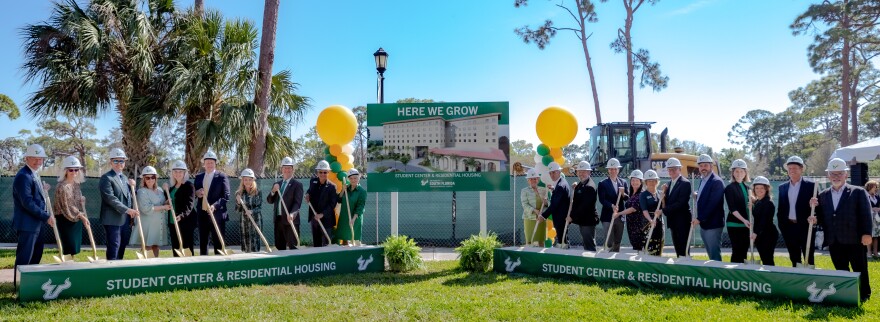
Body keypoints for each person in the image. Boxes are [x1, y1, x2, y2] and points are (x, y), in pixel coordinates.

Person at [809, 158, 873, 302]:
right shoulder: (823, 195)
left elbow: (866, 214)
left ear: (846, 174)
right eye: (833, 174)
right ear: (828, 176)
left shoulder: (858, 192)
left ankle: (864, 294)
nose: (836, 177)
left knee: (860, 268)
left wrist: (867, 233)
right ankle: (846, 293)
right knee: (841, 269)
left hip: (855, 239)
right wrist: (814, 219)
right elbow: (821, 217)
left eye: (839, 173)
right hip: (834, 240)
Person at [13, 144, 53, 270]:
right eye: (34, 158)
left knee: (36, 255)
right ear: (27, 159)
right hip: (27, 224)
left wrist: (43, 189)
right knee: (25, 257)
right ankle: (19, 285)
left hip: (36, 223)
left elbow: (34, 195)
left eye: (40, 159)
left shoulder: (33, 173)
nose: (38, 161)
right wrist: (46, 216)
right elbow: (27, 202)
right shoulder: (23, 176)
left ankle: (31, 283)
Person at [99, 148, 138, 260]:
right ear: (111, 162)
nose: (119, 164)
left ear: (124, 163)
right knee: (114, 245)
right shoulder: (106, 178)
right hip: (112, 219)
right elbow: (110, 198)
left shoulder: (125, 178)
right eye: (116, 161)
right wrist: (127, 210)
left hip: (125, 219)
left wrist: (133, 188)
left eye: (121, 161)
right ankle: (111, 271)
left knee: (122, 245)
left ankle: (119, 269)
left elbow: (127, 196)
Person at [777, 156, 817, 267]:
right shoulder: (782, 187)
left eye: (795, 168)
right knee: (794, 257)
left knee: (808, 257)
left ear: (801, 169)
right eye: (789, 168)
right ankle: (797, 281)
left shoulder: (811, 186)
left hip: (805, 226)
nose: (792, 170)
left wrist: (814, 218)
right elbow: (781, 209)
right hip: (789, 227)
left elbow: (818, 208)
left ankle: (810, 280)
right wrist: (783, 226)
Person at [193, 151, 231, 255]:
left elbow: (226, 196)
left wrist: (215, 206)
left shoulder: (222, 176)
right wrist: (197, 193)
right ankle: (204, 264)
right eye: (207, 162)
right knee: (203, 242)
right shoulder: (199, 177)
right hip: (202, 214)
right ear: (203, 163)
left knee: (218, 242)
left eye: (211, 162)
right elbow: (194, 193)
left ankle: (219, 266)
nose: (209, 164)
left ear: (215, 163)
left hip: (217, 215)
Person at [130, 166, 169, 258]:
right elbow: (146, 208)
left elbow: (160, 203)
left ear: (156, 178)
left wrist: (166, 202)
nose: (150, 180)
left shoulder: (159, 190)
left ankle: (155, 266)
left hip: (158, 223)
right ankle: (144, 267)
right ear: (143, 179)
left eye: (153, 177)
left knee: (156, 245)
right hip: (147, 223)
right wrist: (163, 207)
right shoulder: (141, 192)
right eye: (147, 177)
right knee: (147, 245)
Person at [53, 156, 89, 256]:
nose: (74, 172)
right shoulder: (61, 186)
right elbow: (67, 205)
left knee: (75, 248)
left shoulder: (76, 184)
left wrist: (81, 201)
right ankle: (65, 268)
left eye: (76, 169)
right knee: (68, 247)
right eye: (71, 170)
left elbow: (75, 201)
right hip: (65, 219)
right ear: (65, 171)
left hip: (76, 218)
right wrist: (82, 216)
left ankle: (71, 265)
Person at [693, 154, 725, 261]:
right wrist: (698, 196)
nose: (703, 168)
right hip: (705, 225)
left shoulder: (717, 182)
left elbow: (712, 204)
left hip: (713, 225)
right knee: (710, 255)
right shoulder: (703, 180)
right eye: (701, 165)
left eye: (706, 165)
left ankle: (718, 276)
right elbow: (706, 197)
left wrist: (699, 219)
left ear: (711, 166)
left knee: (714, 255)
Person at [266, 157, 303, 250]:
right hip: (278, 220)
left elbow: (297, 203)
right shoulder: (277, 184)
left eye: (289, 168)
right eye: (285, 168)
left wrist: (292, 214)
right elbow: (269, 200)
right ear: (281, 169)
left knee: (293, 247)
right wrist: (273, 191)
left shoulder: (297, 185)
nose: (287, 170)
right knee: (279, 247)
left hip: (290, 220)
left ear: (293, 169)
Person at [662, 157, 693, 258]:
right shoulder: (669, 184)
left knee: (684, 248)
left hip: (682, 221)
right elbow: (667, 201)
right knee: (677, 248)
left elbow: (681, 203)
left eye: (674, 169)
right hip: (673, 221)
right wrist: (663, 195)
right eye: (669, 169)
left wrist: (663, 210)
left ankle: (687, 269)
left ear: (679, 169)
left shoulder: (685, 183)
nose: (671, 171)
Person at [166, 160, 196, 257]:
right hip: (172, 221)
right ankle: (177, 268)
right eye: (175, 171)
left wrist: (182, 215)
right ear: (172, 173)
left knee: (186, 247)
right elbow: (169, 202)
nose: (178, 174)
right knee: (175, 247)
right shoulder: (171, 188)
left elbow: (190, 205)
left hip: (185, 221)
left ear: (184, 173)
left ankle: (189, 268)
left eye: (180, 171)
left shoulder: (189, 186)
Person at [724, 159, 752, 263]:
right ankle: (733, 275)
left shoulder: (748, 188)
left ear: (745, 173)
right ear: (733, 173)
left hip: (747, 225)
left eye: (741, 171)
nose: (739, 173)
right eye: (736, 171)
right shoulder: (729, 188)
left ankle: (742, 274)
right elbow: (732, 208)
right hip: (735, 224)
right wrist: (744, 220)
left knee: (744, 251)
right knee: (737, 251)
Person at [538, 162, 572, 246]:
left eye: (554, 172)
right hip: (561, 216)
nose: (552, 175)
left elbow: (554, 204)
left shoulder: (560, 185)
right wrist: (554, 190)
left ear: (559, 172)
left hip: (561, 217)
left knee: (562, 239)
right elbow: (561, 197)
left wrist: (543, 216)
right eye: (550, 173)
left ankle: (564, 254)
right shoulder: (561, 183)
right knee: (563, 238)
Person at [598, 158, 627, 252]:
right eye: (611, 169)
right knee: (609, 240)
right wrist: (612, 206)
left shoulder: (623, 182)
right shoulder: (602, 184)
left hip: (620, 215)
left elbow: (627, 198)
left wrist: (623, 194)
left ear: (618, 170)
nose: (613, 171)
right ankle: (607, 258)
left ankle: (616, 259)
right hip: (607, 216)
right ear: (608, 170)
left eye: (615, 169)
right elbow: (602, 200)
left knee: (617, 240)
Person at [306, 160, 337, 247]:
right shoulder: (313, 181)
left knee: (326, 244)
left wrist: (322, 214)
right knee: (316, 243)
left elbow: (332, 204)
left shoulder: (332, 186)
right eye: (320, 172)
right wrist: (307, 194)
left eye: (325, 172)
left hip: (326, 220)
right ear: (317, 172)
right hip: (314, 218)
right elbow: (309, 191)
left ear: (328, 172)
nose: (322, 174)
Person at [569, 161, 600, 251]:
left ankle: (591, 262)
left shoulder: (590, 186)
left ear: (589, 172)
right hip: (583, 220)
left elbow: (584, 206)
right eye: (579, 172)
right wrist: (576, 186)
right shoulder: (582, 183)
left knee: (589, 244)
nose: (581, 174)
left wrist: (572, 217)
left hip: (588, 221)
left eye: (584, 171)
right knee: (586, 243)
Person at [750, 176, 779, 266]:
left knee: (767, 258)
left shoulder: (768, 203)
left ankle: (771, 278)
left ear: (766, 189)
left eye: (762, 188)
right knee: (764, 257)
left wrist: (755, 233)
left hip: (768, 234)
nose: (759, 190)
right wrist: (753, 204)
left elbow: (764, 220)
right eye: (757, 188)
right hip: (760, 234)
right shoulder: (759, 201)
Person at [336, 168, 367, 245]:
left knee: (355, 239)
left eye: (355, 178)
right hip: (344, 216)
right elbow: (339, 199)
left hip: (355, 218)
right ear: (348, 179)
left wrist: (353, 219)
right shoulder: (346, 189)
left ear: (359, 177)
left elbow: (360, 207)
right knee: (344, 239)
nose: (353, 180)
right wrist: (343, 190)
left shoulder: (362, 191)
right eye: (351, 178)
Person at [236, 168, 263, 252]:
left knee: (255, 242)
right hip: (244, 222)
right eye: (245, 180)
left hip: (256, 220)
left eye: (250, 179)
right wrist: (238, 203)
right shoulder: (239, 193)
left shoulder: (258, 192)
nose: (247, 182)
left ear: (253, 180)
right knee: (246, 242)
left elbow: (259, 208)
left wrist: (252, 211)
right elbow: (237, 210)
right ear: (242, 181)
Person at [521, 168, 549, 245]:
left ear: (538, 180)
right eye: (531, 179)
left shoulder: (543, 190)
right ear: (528, 180)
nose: (534, 180)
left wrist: (546, 202)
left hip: (541, 218)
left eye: (535, 179)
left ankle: (540, 256)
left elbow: (548, 204)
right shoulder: (524, 191)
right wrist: (534, 210)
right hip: (529, 218)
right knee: (530, 241)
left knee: (541, 240)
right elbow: (524, 204)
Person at [640, 170, 664, 256]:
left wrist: (663, 198)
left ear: (657, 181)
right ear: (645, 182)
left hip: (659, 221)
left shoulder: (659, 194)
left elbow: (664, 207)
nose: (651, 182)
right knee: (649, 244)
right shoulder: (643, 195)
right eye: (649, 180)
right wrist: (650, 220)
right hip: (648, 222)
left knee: (659, 242)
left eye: (653, 180)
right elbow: (644, 210)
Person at [867, 180, 880, 259]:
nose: (876, 188)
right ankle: (869, 252)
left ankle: (875, 252)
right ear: (870, 187)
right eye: (874, 187)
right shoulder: (865, 196)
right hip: (869, 218)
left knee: (876, 236)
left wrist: (878, 209)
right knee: (869, 235)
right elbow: (863, 207)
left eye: (876, 187)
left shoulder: (877, 196)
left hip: (877, 218)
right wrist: (872, 208)